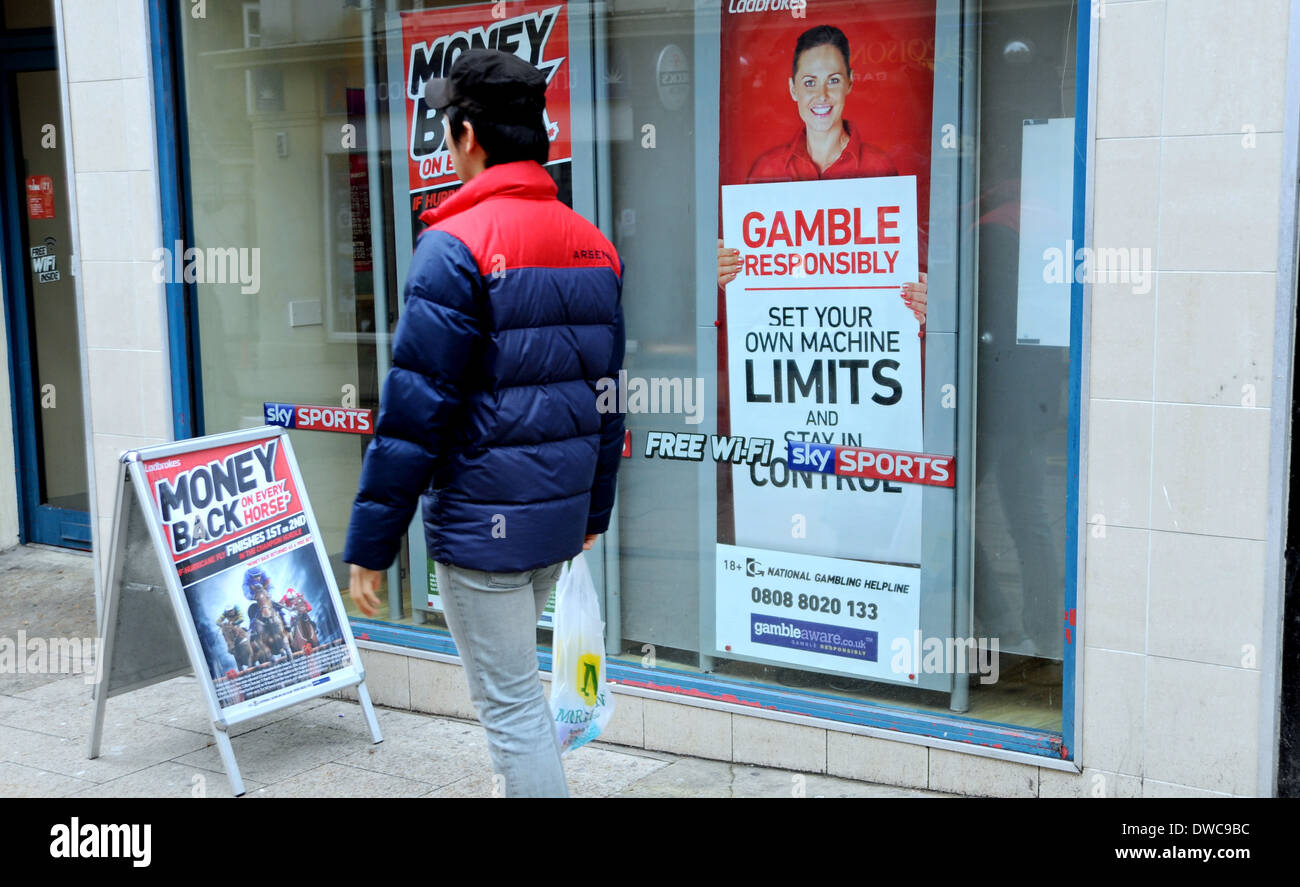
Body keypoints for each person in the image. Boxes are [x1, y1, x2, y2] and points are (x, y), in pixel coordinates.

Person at [341, 48, 625, 798]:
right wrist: (593, 510)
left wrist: (371, 546)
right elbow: (608, 396)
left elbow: (413, 413)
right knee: (519, 699)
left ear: (467, 136)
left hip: (483, 531)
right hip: (553, 526)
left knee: (512, 711)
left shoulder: (453, 248)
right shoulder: (595, 245)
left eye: (447, 127)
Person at [716, 24, 926, 326]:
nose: (822, 95)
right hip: (788, 339)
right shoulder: (766, 170)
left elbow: (899, 268)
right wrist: (727, 275)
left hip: (859, 339)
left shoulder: (880, 168)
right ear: (793, 88)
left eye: (834, 80)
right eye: (810, 82)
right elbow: (751, 283)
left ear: (850, 83)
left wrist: (918, 294)